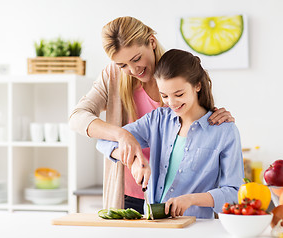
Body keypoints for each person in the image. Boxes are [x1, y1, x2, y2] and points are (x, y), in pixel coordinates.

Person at [69, 16, 235, 213]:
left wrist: (216, 117)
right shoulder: (113, 77)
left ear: (152, 42)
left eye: (137, 59)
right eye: (122, 65)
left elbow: (200, 119)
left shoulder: (178, 73)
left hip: (180, 201)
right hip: (129, 192)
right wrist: (124, 138)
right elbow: (78, 118)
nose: (132, 70)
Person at [96, 49, 244, 219]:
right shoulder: (157, 120)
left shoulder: (224, 131)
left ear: (197, 85)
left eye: (179, 94)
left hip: (196, 228)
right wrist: (134, 160)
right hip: (153, 226)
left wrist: (191, 199)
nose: (171, 103)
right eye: (164, 95)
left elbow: (234, 193)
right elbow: (104, 140)